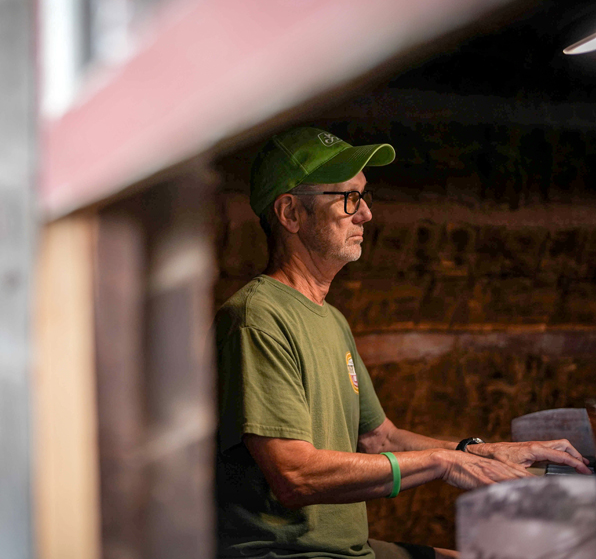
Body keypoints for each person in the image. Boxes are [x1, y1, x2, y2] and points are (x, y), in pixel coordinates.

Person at [214, 127, 592, 559]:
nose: (366, 216)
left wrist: (479, 451)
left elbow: (379, 438)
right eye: (348, 198)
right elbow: (294, 475)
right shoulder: (256, 316)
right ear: (291, 213)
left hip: (348, 549)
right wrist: (442, 463)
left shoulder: (332, 319)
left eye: (364, 197)